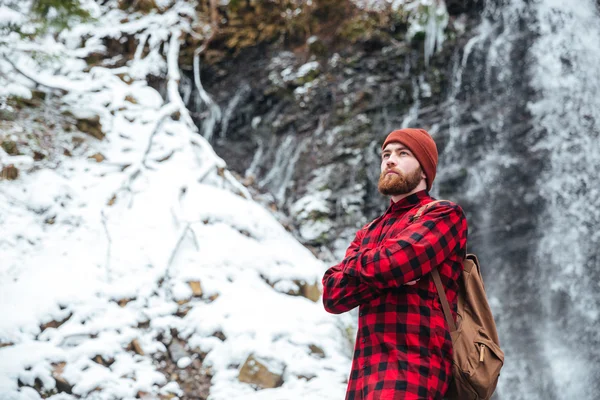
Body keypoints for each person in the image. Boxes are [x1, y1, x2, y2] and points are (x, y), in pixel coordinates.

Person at [322, 128, 468, 400]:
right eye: (386, 154)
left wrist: (357, 266)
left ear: (424, 170)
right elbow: (333, 295)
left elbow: (396, 263)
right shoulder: (369, 230)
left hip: (414, 372)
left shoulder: (444, 214)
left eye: (403, 154)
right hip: (363, 380)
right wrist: (388, 272)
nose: (390, 160)